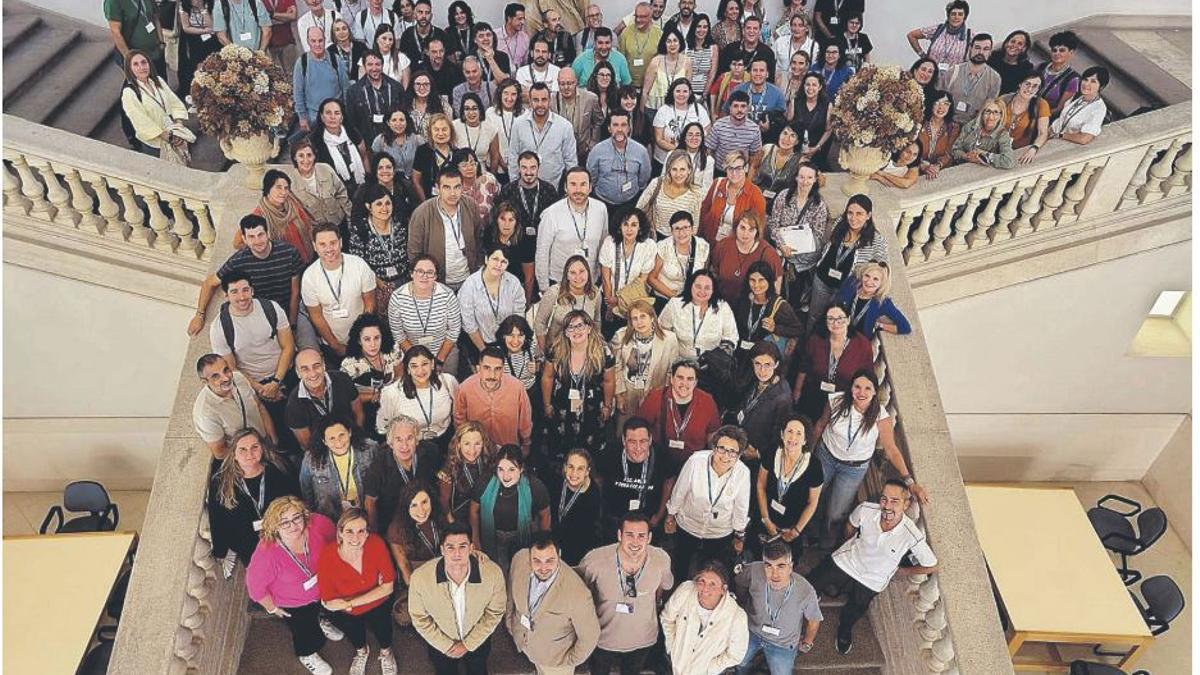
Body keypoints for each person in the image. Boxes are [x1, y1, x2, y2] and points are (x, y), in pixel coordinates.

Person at [808, 480, 938, 655]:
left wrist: (903, 571)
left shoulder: (911, 535)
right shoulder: (866, 509)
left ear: (906, 504)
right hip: (848, 561)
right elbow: (850, 525)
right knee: (812, 581)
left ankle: (844, 629)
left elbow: (931, 565)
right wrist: (849, 542)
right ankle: (814, 594)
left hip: (872, 580)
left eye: (894, 501)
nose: (887, 506)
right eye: (884, 499)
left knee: (855, 609)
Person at [245, 496, 343, 675]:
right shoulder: (267, 553)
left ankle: (321, 621)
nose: (293, 525)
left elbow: (333, 539)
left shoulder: (317, 524)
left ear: (304, 515)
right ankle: (307, 654)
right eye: (284, 522)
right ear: (274, 526)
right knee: (304, 631)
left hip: (322, 589)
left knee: (320, 611)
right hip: (293, 603)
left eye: (296, 518)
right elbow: (254, 587)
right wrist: (272, 608)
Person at [577, 512, 674, 675]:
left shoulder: (661, 560)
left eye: (641, 536)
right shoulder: (594, 560)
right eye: (629, 535)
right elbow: (580, 593)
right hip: (602, 639)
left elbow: (662, 587)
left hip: (642, 640)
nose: (635, 541)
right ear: (619, 535)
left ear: (649, 538)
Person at [191, 215, 307, 349]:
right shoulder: (239, 261)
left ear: (268, 234)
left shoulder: (289, 252)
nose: (258, 241)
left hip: (290, 310)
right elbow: (209, 283)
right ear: (244, 239)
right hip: (261, 315)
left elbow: (295, 292)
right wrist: (199, 315)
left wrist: (292, 325)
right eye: (251, 237)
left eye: (260, 235)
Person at [407, 522, 508, 675]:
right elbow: (419, 617)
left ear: (471, 548)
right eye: (450, 547)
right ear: (442, 550)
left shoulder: (492, 574)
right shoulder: (421, 579)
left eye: (462, 546)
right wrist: (445, 645)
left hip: (478, 642)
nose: (457, 553)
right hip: (440, 646)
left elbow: (495, 612)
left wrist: (468, 644)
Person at [207, 272, 295, 442]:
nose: (242, 297)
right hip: (255, 385)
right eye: (234, 292)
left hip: (286, 373)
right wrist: (262, 389)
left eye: (245, 290)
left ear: (252, 291)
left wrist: (276, 382)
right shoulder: (220, 328)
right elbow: (231, 368)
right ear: (226, 295)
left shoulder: (271, 308)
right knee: (280, 432)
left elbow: (288, 346)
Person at [316, 507, 397, 675]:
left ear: (368, 533)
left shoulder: (376, 544)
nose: (355, 537)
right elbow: (329, 601)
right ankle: (362, 651)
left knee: (384, 629)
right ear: (340, 532)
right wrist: (377, 591)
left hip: (364, 605)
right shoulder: (327, 555)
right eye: (349, 531)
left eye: (361, 531)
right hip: (348, 612)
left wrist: (350, 602)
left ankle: (386, 652)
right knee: (354, 633)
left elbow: (389, 587)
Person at [208, 429, 300, 577]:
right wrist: (220, 550)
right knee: (263, 578)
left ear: (262, 448)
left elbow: (297, 500)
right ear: (234, 454)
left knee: (289, 575)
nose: (249, 454)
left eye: (254, 447)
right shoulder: (221, 482)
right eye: (242, 449)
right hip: (247, 545)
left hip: (283, 538)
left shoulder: (278, 469)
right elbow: (216, 517)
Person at [664, 426, 751, 581]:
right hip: (688, 526)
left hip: (719, 533)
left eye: (733, 452)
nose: (725, 456)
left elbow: (741, 508)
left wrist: (739, 535)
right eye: (721, 449)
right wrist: (670, 515)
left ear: (739, 455)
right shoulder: (695, 461)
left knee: (712, 573)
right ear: (713, 448)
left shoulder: (743, 473)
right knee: (680, 568)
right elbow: (679, 491)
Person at [507, 532, 602, 674]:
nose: (543, 568)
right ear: (529, 556)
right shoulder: (519, 559)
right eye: (537, 561)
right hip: (526, 645)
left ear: (559, 555)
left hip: (557, 661)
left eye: (550, 560)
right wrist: (510, 624)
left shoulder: (578, 593)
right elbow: (510, 596)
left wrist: (570, 660)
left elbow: (590, 636)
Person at [734, 540, 822, 674]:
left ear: (791, 567)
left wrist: (807, 643)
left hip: (783, 643)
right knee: (739, 662)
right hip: (753, 631)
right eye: (769, 566)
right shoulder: (753, 570)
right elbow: (739, 583)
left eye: (781, 566)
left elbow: (814, 620)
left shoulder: (806, 590)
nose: (774, 574)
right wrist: (741, 603)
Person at [539, 310, 615, 464]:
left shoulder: (603, 352)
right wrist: (547, 404)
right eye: (571, 327)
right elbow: (548, 377)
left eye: (580, 325)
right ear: (565, 332)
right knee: (560, 448)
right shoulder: (555, 350)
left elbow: (609, 381)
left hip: (592, 408)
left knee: (591, 449)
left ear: (589, 328)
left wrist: (607, 405)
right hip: (562, 407)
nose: (576, 331)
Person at [807, 194, 886, 334]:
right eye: (850, 212)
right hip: (822, 281)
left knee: (833, 321)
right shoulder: (839, 224)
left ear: (868, 215)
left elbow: (883, 269)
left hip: (844, 290)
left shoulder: (875, 240)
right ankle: (808, 341)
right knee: (814, 315)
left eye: (859, 213)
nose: (853, 218)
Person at [470, 444, 552, 572]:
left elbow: (545, 515)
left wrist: (543, 544)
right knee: (497, 570)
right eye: (501, 469)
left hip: (522, 536)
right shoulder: (484, 482)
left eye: (512, 469)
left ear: (521, 468)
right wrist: (475, 538)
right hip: (493, 536)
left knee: (520, 570)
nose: (506, 476)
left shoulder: (535, 486)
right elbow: (474, 511)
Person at [300, 223, 377, 357]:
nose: (329, 249)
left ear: (340, 242)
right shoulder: (309, 277)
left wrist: (363, 336)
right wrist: (335, 345)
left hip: (363, 341)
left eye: (333, 243)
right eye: (322, 244)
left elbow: (369, 302)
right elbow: (316, 315)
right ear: (314, 246)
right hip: (332, 343)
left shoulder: (359, 265)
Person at [660, 560, 749, 675]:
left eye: (712, 584)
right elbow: (667, 618)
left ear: (723, 589)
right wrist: (671, 647)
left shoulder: (737, 616)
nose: (705, 589)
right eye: (702, 581)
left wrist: (711, 669)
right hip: (677, 666)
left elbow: (736, 654)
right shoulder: (686, 590)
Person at [407, 170, 483, 291]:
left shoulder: (470, 205)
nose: (453, 193)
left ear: (462, 187)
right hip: (438, 283)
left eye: (457, 187)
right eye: (447, 187)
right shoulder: (422, 213)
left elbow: (479, 239)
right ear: (438, 188)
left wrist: (477, 269)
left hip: (468, 279)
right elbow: (414, 253)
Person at [386, 481, 449, 625]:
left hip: (443, 567)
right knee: (403, 617)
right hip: (417, 576)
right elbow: (405, 569)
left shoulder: (440, 514)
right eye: (413, 505)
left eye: (424, 502)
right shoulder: (396, 529)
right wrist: (426, 595)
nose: (421, 511)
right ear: (405, 507)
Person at [635, 359, 720, 465]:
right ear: (671, 379)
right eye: (680, 377)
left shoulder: (707, 402)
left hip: (693, 462)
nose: (684, 383)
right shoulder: (655, 398)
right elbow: (637, 429)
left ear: (696, 382)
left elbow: (712, 434)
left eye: (690, 379)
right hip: (659, 460)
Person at [454, 346, 535, 455]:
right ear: (478, 368)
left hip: (508, 449)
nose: (492, 375)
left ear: (503, 369)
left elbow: (525, 419)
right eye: (486, 368)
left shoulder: (517, 388)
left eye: (497, 369)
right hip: (477, 451)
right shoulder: (465, 388)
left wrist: (526, 443)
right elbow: (460, 421)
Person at [535, 168, 607, 291]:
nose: (578, 190)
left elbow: (603, 244)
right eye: (573, 184)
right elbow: (542, 252)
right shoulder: (551, 214)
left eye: (583, 184)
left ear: (590, 187)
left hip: (590, 281)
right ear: (565, 187)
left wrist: (601, 280)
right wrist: (544, 288)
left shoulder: (600, 209)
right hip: (560, 282)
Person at [766, 163, 827, 310]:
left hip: (800, 261)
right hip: (779, 251)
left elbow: (817, 235)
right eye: (802, 177)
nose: (805, 181)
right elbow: (773, 223)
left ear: (815, 180)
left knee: (793, 295)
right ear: (796, 178)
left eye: (809, 178)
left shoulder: (819, 206)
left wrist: (796, 250)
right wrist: (781, 245)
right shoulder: (784, 196)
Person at [193, 354, 277, 460]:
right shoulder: (205, 413)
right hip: (246, 460)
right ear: (205, 382)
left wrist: (274, 441)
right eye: (216, 376)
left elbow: (260, 407)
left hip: (266, 445)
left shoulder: (238, 378)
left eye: (226, 370)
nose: (226, 377)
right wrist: (252, 458)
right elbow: (220, 453)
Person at [794, 303, 871, 418]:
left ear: (848, 320)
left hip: (843, 398)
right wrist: (797, 390)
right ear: (825, 321)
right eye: (830, 319)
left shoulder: (862, 345)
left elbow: (868, 377)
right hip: (814, 393)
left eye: (840, 318)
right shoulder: (816, 340)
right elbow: (804, 366)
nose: (835, 323)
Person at [610, 299, 681, 422]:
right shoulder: (620, 336)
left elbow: (671, 371)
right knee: (624, 431)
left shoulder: (669, 339)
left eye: (643, 316)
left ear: (652, 317)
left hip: (655, 393)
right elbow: (616, 367)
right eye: (635, 318)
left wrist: (665, 396)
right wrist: (619, 394)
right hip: (628, 390)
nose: (639, 322)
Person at [299, 415, 379, 522]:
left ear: (349, 432)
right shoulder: (311, 459)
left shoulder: (369, 449)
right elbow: (306, 491)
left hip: (366, 515)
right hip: (330, 519)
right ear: (324, 441)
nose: (339, 442)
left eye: (342, 435)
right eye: (332, 438)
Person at [347, 180, 408, 315]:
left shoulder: (400, 224)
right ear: (369, 206)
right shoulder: (360, 229)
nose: (384, 208)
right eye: (379, 204)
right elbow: (358, 264)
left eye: (388, 203)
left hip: (404, 281)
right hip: (376, 285)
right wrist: (380, 284)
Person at [286, 348, 366, 451]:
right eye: (305, 369)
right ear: (298, 373)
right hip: (322, 451)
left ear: (324, 365)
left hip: (352, 440)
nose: (313, 374)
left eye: (316, 366)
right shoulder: (294, 404)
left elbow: (358, 413)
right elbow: (306, 443)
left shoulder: (343, 379)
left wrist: (356, 440)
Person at [730, 332, 794, 457]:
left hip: (755, 453)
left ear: (776, 364)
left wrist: (759, 454)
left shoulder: (782, 397)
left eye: (767, 365)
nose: (762, 371)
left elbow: (780, 434)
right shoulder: (754, 380)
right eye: (757, 364)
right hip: (740, 441)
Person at [376, 345, 458, 441]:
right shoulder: (391, 392)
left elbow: (459, 411)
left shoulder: (448, 381)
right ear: (407, 369)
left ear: (432, 364)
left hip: (445, 439)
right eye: (414, 366)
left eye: (424, 364)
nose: (420, 371)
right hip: (411, 444)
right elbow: (383, 427)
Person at [120, 51, 192, 161]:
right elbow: (140, 120)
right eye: (136, 64)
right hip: (155, 146)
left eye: (144, 62)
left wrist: (179, 127)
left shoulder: (158, 81)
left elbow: (174, 103)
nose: (141, 67)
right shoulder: (129, 93)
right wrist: (167, 136)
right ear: (129, 69)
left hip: (175, 134)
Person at [339, 313, 401, 431]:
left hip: (393, 402)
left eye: (377, 338)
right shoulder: (349, 365)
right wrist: (376, 396)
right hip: (364, 409)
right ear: (359, 340)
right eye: (367, 339)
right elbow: (345, 397)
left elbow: (400, 373)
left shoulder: (393, 350)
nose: (373, 344)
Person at [658, 268, 739, 359]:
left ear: (713, 290)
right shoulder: (675, 304)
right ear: (690, 286)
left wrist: (715, 360)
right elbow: (661, 331)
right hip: (679, 361)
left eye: (707, 288)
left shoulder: (723, 307)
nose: (702, 291)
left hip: (712, 364)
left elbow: (731, 338)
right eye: (698, 286)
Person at [509, 83, 579, 188]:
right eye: (536, 100)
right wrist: (514, 185)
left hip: (554, 187)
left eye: (544, 100)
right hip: (524, 187)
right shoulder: (518, 124)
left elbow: (571, 161)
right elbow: (513, 157)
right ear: (530, 102)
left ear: (550, 100)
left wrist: (570, 187)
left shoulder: (564, 126)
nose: (540, 104)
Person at [458, 245, 527, 351]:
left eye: (504, 262)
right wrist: (484, 351)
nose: (498, 265)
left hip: (509, 344)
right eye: (495, 259)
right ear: (486, 259)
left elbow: (518, 317)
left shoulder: (514, 283)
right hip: (479, 345)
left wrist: (511, 346)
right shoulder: (470, 285)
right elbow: (469, 325)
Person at [599, 209, 658, 329]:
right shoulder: (609, 242)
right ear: (619, 227)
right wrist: (610, 302)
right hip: (609, 299)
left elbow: (642, 280)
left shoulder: (649, 246)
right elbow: (606, 278)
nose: (629, 229)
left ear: (640, 228)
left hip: (634, 299)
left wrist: (620, 299)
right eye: (625, 224)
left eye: (634, 225)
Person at [587, 111, 653, 218]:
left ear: (629, 128)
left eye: (623, 125)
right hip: (603, 203)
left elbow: (644, 177)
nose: (619, 129)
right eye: (615, 125)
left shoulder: (641, 151)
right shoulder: (597, 151)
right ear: (609, 128)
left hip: (630, 202)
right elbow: (591, 176)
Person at [247, 169, 318, 266]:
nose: (284, 192)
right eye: (279, 187)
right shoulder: (259, 216)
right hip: (287, 265)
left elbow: (308, 222)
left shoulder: (292, 202)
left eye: (286, 188)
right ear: (268, 188)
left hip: (308, 257)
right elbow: (239, 242)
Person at [548, 449, 604, 565]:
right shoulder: (555, 483)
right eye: (571, 467)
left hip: (578, 550)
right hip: (553, 543)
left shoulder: (592, 494)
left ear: (587, 471)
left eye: (580, 469)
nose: (574, 473)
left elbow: (588, 532)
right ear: (564, 467)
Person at [700, 149, 767, 245]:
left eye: (739, 168)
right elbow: (704, 211)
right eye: (730, 168)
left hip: (735, 248)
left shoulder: (756, 195)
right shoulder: (717, 184)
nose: (734, 173)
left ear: (746, 168)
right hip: (709, 242)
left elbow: (759, 229)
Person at [710, 213, 781, 302]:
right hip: (722, 302)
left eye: (751, 230)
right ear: (736, 227)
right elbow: (714, 273)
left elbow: (776, 287)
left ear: (757, 231)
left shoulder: (769, 254)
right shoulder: (723, 245)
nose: (745, 234)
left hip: (751, 306)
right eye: (742, 228)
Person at [294, 30, 352, 137]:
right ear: (308, 42)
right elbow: (298, 93)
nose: (317, 44)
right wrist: (302, 117)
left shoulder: (335, 59)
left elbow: (345, 87)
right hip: (314, 117)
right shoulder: (302, 63)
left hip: (336, 114)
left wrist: (346, 112)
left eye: (320, 41)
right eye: (313, 41)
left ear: (325, 40)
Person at [438, 422, 497, 525]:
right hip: (459, 518)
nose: (472, 450)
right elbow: (444, 502)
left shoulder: (488, 461)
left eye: (477, 444)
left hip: (484, 515)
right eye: (467, 444)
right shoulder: (448, 470)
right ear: (459, 444)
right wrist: (452, 523)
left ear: (483, 443)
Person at [646, 210, 709, 307]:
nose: (681, 233)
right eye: (677, 229)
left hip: (691, 300)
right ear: (671, 231)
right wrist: (674, 297)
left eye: (685, 228)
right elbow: (651, 278)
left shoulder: (703, 246)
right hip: (664, 297)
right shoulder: (663, 247)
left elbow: (704, 276)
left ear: (692, 229)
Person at [835, 261, 911, 339]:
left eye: (875, 279)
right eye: (867, 276)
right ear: (862, 275)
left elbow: (905, 327)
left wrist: (879, 325)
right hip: (835, 330)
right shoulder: (851, 283)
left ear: (881, 284)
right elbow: (835, 301)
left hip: (856, 343)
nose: (869, 281)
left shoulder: (883, 303)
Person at [289, 139, 352, 232]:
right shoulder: (290, 182)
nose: (306, 160)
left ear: (314, 156)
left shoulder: (326, 169)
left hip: (338, 222)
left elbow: (341, 193)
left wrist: (351, 215)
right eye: (301, 156)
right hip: (317, 230)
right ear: (295, 158)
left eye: (309, 155)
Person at [637, 150, 703, 239]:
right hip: (655, 236)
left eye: (682, 169)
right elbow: (639, 209)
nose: (678, 174)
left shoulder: (696, 193)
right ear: (669, 170)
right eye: (674, 169)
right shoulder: (657, 183)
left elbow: (694, 227)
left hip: (680, 240)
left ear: (689, 170)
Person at [938, 33, 999, 125]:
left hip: (971, 128)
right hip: (946, 124)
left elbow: (988, 108)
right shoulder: (953, 71)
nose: (980, 52)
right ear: (970, 49)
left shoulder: (994, 78)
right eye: (977, 48)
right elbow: (938, 98)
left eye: (985, 49)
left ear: (990, 52)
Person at [346, 48, 405, 144]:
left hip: (394, 140)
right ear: (364, 66)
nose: (374, 68)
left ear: (382, 65)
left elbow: (404, 115)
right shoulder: (353, 92)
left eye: (377, 64)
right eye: (370, 64)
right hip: (366, 141)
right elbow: (351, 123)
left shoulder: (396, 87)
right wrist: (360, 142)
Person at [309, 98, 368, 192]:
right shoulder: (315, 140)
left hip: (361, 185)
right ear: (322, 116)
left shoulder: (352, 132)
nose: (333, 117)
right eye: (328, 113)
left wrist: (369, 181)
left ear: (342, 117)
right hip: (333, 189)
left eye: (337, 113)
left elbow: (364, 156)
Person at [652, 80, 711, 169]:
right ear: (672, 92)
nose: (681, 94)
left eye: (685, 91)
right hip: (664, 161)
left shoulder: (699, 110)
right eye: (678, 91)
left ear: (690, 93)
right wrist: (679, 150)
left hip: (692, 162)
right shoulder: (663, 111)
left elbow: (707, 136)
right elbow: (659, 139)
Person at [1048, 67, 1110, 146]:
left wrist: (1060, 135)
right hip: (1050, 133)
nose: (1086, 84)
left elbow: (1084, 139)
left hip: (1061, 142)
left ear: (1101, 86)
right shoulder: (1078, 96)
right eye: (1085, 79)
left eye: (1093, 81)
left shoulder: (1098, 109)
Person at [553, 68, 603, 164]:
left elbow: (598, 121)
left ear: (576, 82)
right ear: (558, 83)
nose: (566, 87)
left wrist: (592, 143)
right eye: (562, 84)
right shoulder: (552, 100)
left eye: (570, 83)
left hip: (584, 151)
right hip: (560, 153)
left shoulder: (590, 98)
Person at [105, 0, 166, 79]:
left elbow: (155, 18)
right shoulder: (113, 2)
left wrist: (161, 41)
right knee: (143, 86)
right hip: (138, 57)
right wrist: (129, 58)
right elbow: (116, 32)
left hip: (156, 52)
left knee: (161, 83)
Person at [707, 92, 764, 175]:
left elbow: (754, 156)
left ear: (748, 108)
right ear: (730, 108)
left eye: (743, 106)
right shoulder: (718, 125)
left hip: (741, 172)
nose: (739, 110)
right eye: (736, 106)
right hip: (720, 171)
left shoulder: (754, 129)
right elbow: (709, 150)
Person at [951, 97, 1016, 169]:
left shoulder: (1002, 134)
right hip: (961, 167)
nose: (991, 117)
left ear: (1001, 116)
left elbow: (1008, 161)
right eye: (988, 111)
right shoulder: (971, 126)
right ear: (982, 113)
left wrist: (983, 154)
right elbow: (954, 150)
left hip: (983, 171)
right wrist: (967, 156)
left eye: (996, 112)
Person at [906, 0, 973, 70]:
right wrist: (922, 55)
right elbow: (911, 35)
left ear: (964, 17)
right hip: (931, 76)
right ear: (948, 15)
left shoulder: (969, 35)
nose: (956, 17)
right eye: (953, 14)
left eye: (960, 14)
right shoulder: (937, 29)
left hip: (953, 78)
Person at [1002, 73, 1052, 165]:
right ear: (1020, 84)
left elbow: (1043, 133)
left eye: (1035, 86)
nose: (1030, 89)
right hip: (995, 146)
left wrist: (1033, 149)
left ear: (1038, 89)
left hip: (1018, 152)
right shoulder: (1004, 99)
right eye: (1027, 84)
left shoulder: (1041, 105)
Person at [641, 28, 691, 118]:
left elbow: (688, 89)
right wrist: (640, 115)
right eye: (668, 41)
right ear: (664, 44)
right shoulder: (655, 62)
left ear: (680, 43)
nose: (672, 44)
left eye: (675, 40)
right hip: (654, 110)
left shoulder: (687, 62)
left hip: (678, 109)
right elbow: (645, 91)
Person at [752, 125, 803, 210]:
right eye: (785, 133)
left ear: (797, 141)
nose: (786, 138)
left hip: (779, 207)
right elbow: (753, 167)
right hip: (756, 200)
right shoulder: (767, 148)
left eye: (792, 136)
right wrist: (748, 189)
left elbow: (817, 179)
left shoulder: (800, 160)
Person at [178, 0, 222, 98]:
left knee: (213, 64)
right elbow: (186, 27)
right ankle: (199, 93)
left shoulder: (210, 3)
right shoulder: (184, 5)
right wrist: (202, 31)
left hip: (211, 39)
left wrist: (202, 8)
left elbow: (212, 26)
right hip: (194, 38)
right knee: (198, 66)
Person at [411, 112, 457, 202]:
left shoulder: (457, 153)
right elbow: (416, 181)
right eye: (436, 129)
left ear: (450, 131)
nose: (440, 133)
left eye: (444, 129)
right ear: (430, 132)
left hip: (453, 199)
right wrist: (426, 203)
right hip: (430, 200)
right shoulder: (422, 151)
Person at [1036, 30, 1082, 116]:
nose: (1057, 53)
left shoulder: (1072, 79)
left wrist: (1039, 116)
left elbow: (1060, 109)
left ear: (1071, 53)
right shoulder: (1041, 67)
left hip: (1046, 117)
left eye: (1062, 50)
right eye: (1054, 50)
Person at [916, 90, 960, 179]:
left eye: (946, 104)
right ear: (931, 104)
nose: (941, 107)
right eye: (937, 103)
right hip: (916, 169)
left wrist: (937, 166)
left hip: (940, 172)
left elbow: (950, 153)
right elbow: (910, 149)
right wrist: (923, 165)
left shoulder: (953, 127)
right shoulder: (919, 123)